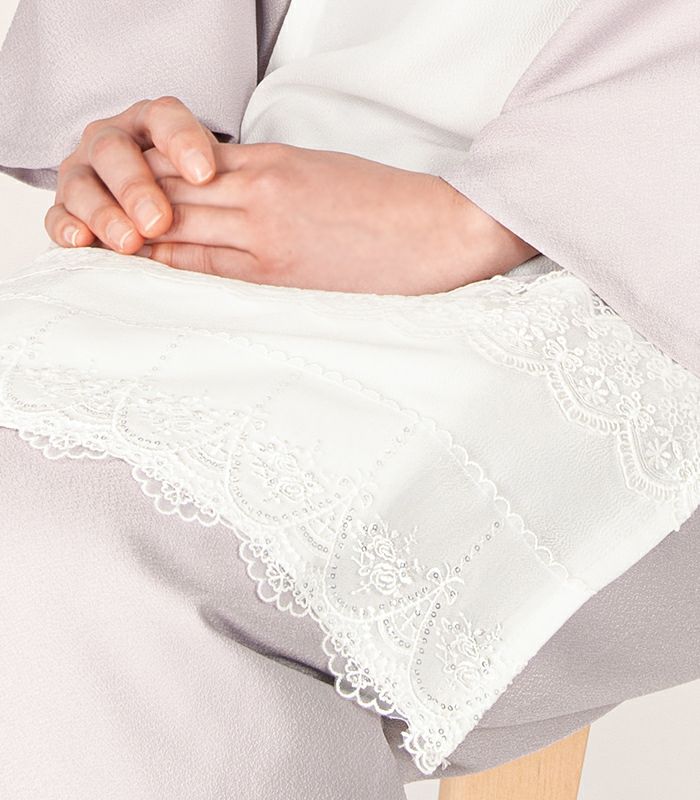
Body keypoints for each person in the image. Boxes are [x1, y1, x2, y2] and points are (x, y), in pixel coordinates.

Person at [0, 1, 698, 798]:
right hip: (255, 199)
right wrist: (153, 144)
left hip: (633, 277)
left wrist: (476, 222)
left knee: (101, 560)